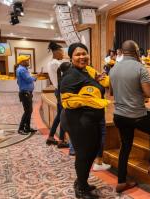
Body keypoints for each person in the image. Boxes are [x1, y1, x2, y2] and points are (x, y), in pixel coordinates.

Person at [110, 40, 150, 193]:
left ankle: (121, 181)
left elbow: (111, 92)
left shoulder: (113, 68)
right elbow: (149, 93)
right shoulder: (140, 68)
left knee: (126, 146)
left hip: (119, 115)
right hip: (136, 114)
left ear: (122, 51)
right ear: (136, 51)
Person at [60, 43, 109, 199]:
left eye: (84, 54)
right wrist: (94, 102)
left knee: (93, 150)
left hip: (90, 120)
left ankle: (82, 181)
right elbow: (67, 101)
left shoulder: (87, 71)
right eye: (78, 54)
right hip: (78, 121)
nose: (82, 57)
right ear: (71, 57)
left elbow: (94, 85)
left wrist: (98, 80)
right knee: (84, 154)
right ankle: (81, 188)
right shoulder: (70, 76)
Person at [46, 41, 68, 148]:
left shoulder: (50, 63)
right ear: (56, 52)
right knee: (63, 116)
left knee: (59, 116)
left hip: (57, 90)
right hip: (61, 91)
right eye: (62, 51)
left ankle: (51, 137)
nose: (63, 53)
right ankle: (61, 140)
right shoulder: (57, 64)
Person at [16, 55, 38, 135]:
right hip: (25, 93)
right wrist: (35, 78)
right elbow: (28, 79)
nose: (28, 62)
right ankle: (21, 129)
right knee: (27, 111)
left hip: (26, 92)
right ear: (22, 62)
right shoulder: (22, 70)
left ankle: (27, 127)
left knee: (29, 111)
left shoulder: (23, 69)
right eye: (26, 60)